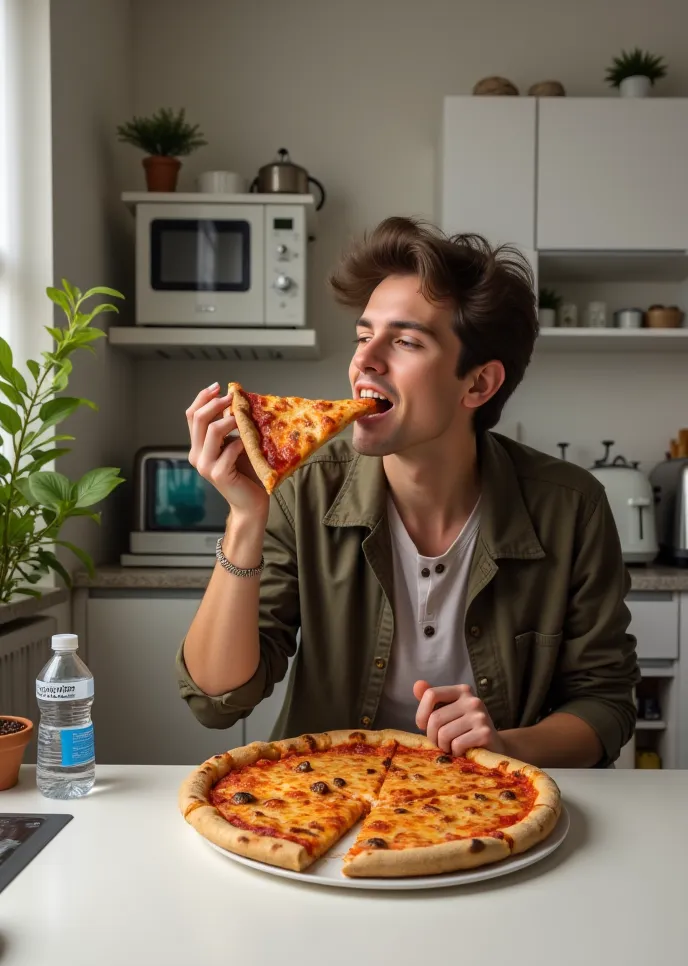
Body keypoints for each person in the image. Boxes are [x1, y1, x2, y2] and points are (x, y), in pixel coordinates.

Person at [177, 217, 638, 768]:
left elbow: (605, 703)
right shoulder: (303, 489)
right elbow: (216, 701)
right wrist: (244, 517)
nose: (364, 361)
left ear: (478, 384)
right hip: (322, 803)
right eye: (364, 336)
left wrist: (505, 746)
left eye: (405, 341)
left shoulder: (571, 507)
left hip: (486, 804)